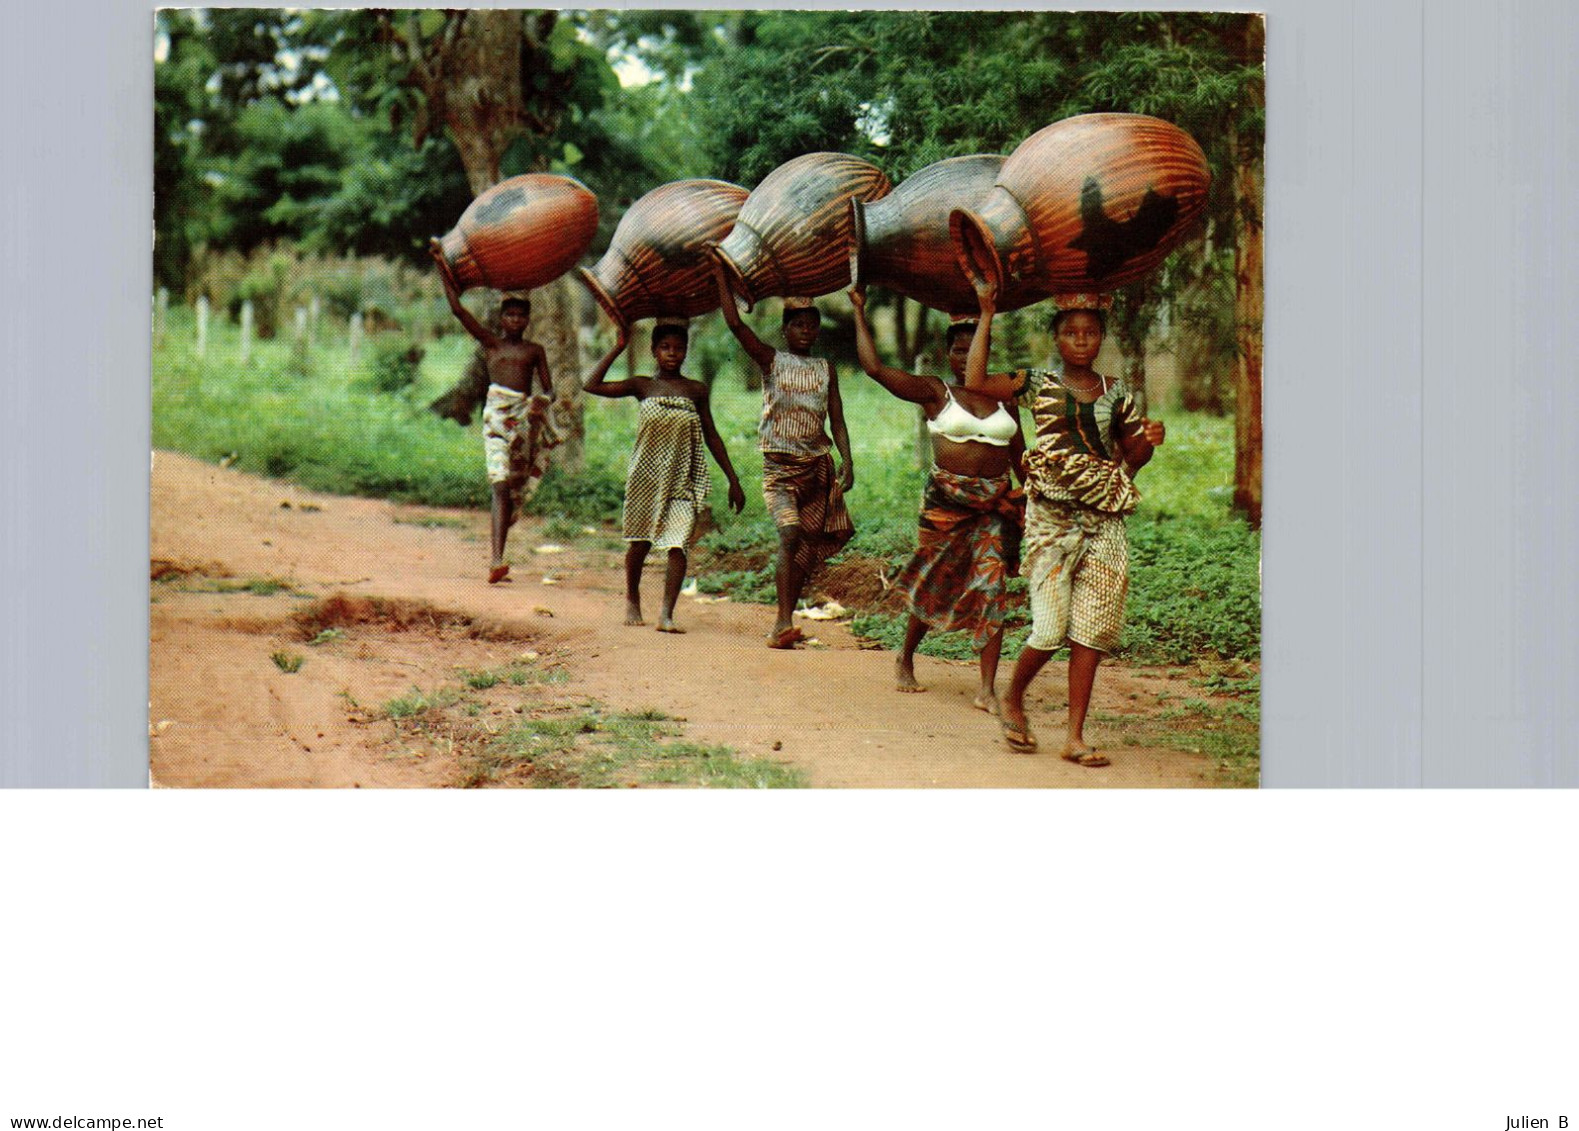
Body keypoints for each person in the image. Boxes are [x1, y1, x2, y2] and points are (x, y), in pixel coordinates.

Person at [965, 283, 1166, 766]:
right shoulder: (1035, 383)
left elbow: (1132, 457)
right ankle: (1013, 695)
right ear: (1057, 339)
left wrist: (1150, 439)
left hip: (1104, 517)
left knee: (1091, 630)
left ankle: (1075, 737)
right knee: (1050, 627)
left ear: (1101, 338)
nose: (1081, 340)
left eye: (1091, 332)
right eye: (1072, 332)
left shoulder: (1115, 393)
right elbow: (975, 380)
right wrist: (988, 313)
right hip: (1052, 516)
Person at [848, 286, 1025, 713]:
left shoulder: (1005, 397)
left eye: (974, 349)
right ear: (949, 355)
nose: (967, 358)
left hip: (993, 508)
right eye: (960, 352)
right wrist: (858, 310)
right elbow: (873, 369)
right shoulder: (935, 392)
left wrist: (1030, 498)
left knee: (992, 584)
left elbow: (1020, 455)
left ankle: (986, 687)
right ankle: (906, 655)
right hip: (946, 506)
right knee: (934, 581)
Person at [709, 255, 855, 649]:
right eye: (798, 325)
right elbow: (736, 324)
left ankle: (786, 622)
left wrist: (848, 459)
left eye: (812, 325)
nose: (806, 331)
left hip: (817, 468)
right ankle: (780, 620)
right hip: (779, 468)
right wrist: (722, 273)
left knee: (806, 545)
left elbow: (836, 420)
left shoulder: (826, 368)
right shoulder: (772, 360)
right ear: (786, 329)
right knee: (789, 534)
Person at [584, 318, 746, 632]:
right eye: (665, 348)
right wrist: (618, 346)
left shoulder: (696, 390)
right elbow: (591, 385)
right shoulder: (642, 386)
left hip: (682, 477)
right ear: (654, 351)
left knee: (678, 544)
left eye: (679, 348)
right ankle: (632, 597)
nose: (673, 354)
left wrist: (733, 479)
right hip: (646, 476)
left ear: (686, 351)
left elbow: (711, 435)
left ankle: (666, 614)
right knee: (639, 542)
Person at [432, 244, 554, 584]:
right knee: (499, 483)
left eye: (521, 316)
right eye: (510, 315)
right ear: (501, 318)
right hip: (497, 420)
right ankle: (496, 559)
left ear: (528, 319)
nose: (515, 321)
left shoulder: (535, 350)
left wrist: (543, 401)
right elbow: (457, 309)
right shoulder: (491, 345)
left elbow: (549, 388)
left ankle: (503, 532)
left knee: (514, 489)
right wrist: (442, 264)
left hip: (524, 421)